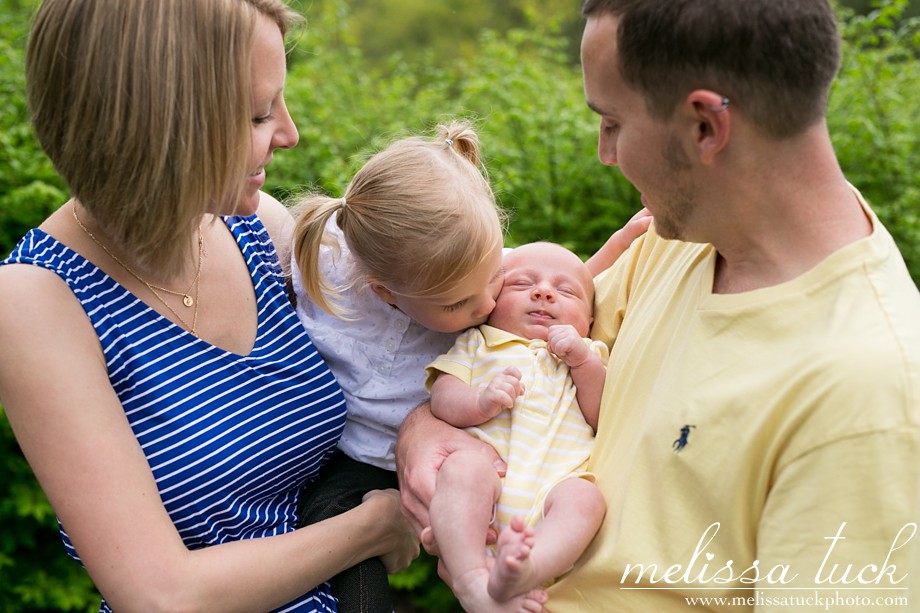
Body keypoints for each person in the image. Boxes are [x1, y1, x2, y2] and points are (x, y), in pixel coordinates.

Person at [396, 1, 920, 611]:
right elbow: (513, 350)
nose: (604, 153)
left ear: (705, 126)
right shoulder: (674, 244)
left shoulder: (870, 395)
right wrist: (425, 432)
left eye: (613, 122)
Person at [0, 1, 418, 611]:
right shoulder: (36, 301)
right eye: (256, 114)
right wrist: (370, 527)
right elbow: (162, 594)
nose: (288, 133)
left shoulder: (263, 231)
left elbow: (427, 318)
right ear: (157, 122)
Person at [290, 123, 650, 612]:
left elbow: (564, 279)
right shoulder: (337, 269)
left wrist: (622, 242)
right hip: (359, 461)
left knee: (569, 499)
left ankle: (506, 574)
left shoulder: (475, 269)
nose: (488, 302)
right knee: (352, 547)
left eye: (497, 278)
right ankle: (470, 584)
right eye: (460, 302)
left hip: (509, 468)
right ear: (386, 292)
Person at [425, 242, 608, 612]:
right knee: (461, 469)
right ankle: (471, 578)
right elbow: (442, 398)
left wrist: (582, 360)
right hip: (487, 490)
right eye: (522, 284)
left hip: (552, 497)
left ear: (588, 320)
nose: (543, 292)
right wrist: (480, 400)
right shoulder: (478, 342)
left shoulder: (590, 355)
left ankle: (529, 568)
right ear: (491, 306)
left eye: (566, 290)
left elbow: (601, 414)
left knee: (586, 499)